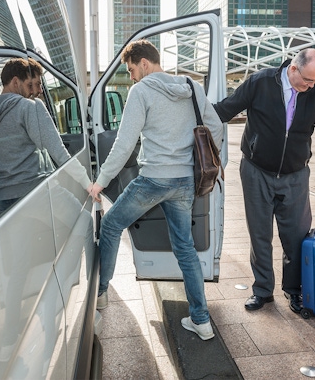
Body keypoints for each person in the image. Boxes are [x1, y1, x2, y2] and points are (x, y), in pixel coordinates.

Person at [0, 57, 93, 361]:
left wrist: (1, 174)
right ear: (15, 81)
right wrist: (86, 183)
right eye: (32, 84)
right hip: (36, 194)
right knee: (85, 223)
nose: (36, 91)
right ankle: (85, 296)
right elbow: (58, 151)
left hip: (6, 205)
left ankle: (9, 340)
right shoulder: (29, 109)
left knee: (18, 265)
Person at [89, 39, 224, 341]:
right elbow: (215, 128)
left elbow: (125, 144)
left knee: (110, 225)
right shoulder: (191, 87)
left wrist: (100, 181)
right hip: (185, 182)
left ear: (145, 63)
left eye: (132, 69)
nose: (132, 76)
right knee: (185, 248)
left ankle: (100, 294)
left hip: (153, 181)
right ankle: (201, 320)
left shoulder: (141, 91)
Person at [212, 48, 315, 315]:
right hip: (256, 170)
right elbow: (224, 110)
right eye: (307, 80)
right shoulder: (260, 83)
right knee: (260, 234)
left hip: (295, 176)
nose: (311, 86)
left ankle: (294, 292)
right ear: (293, 69)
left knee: (296, 237)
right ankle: (262, 291)